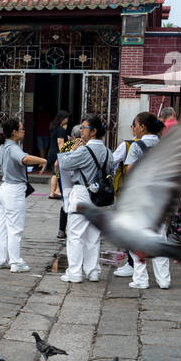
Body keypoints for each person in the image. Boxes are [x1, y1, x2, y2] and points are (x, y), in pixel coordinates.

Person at [119, 113, 170, 289]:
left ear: (142, 127)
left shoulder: (137, 146)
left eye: (136, 124)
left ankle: (141, 280)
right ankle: (164, 280)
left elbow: (130, 172)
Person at [57, 114, 110, 283]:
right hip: (100, 196)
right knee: (93, 236)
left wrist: (71, 152)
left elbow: (64, 164)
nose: (81, 131)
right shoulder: (108, 151)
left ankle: (74, 272)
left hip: (82, 193)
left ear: (93, 131)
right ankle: (93, 271)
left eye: (83, 128)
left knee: (75, 234)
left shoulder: (84, 149)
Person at [0, 117, 48, 272]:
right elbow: (25, 159)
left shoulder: (3, 146)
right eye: (21, 129)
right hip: (14, 190)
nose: (24, 131)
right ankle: (15, 262)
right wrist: (43, 160)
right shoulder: (12, 147)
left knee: (2, 226)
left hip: (4, 189)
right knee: (15, 228)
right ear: (14, 132)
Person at [47, 111, 70, 197]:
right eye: (66, 118)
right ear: (62, 119)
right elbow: (60, 143)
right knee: (56, 173)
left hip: (52, 152)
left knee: (56, 173)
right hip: (57, 153)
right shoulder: (61, 129)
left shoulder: (54, 128)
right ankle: (54, 192)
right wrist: (62, 155)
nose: (67, 120)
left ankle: (56, 191)